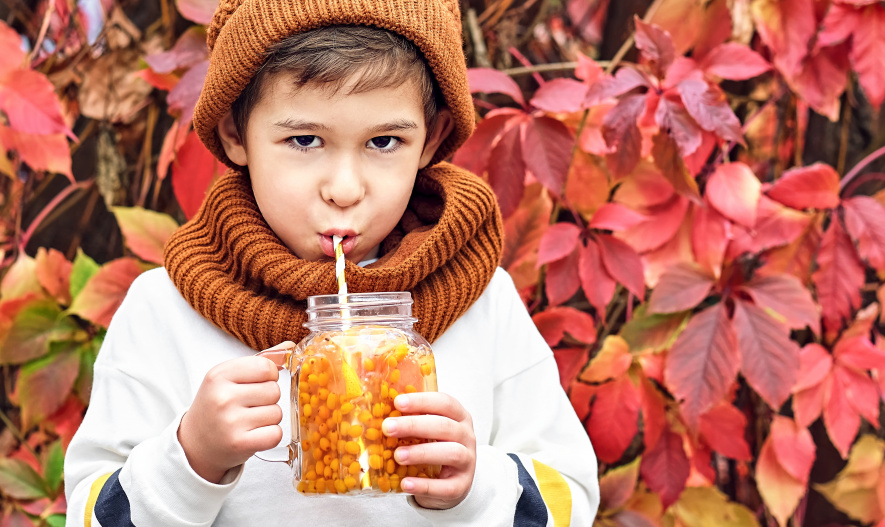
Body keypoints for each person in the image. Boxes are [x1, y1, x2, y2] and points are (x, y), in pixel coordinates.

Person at [63, 0, 599, 525]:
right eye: (304, 139)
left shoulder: (483, 302)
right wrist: (191, 457)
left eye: (384, 141)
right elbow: (89, 515)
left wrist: (480, 487)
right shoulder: (166, 311)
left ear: (431, 139)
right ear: (235, 133)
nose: (345, 189)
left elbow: (572, 499)